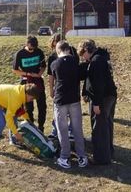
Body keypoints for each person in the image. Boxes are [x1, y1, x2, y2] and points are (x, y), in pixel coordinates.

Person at [77, 39, 117, 165]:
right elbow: (91, 79)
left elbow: (98, 84)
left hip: (102, 98)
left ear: (87, 50)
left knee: (99, 128)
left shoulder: (96, 62)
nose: (83, 58)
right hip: (110, 95)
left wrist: (96, 103)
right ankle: (108, 151)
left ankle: (101, 158)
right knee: (107, 124)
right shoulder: (101, 57)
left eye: (83, 54)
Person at [50, 40, 88, 168]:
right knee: (77, 129)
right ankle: (82, 156)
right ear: (68, 49)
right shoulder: (75, 62)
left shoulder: (55, 64)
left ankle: (65, 157)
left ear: (58, 50)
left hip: (60, 100)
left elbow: (54, 77)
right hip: (74, 99)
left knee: (62, 129)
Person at [0, 83, 40, 154]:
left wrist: (28, 121)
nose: (31, 100)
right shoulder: (16, 97)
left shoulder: (21, 93)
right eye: (31, 98)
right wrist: (16, 133)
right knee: (0, 123)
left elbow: (20, 111)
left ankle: (14, 140)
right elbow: (8, 118)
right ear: (27, 94)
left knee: (14, 115)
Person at [47, 33, 79, 140]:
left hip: (72, 86)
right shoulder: (52, 57)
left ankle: (71, 131)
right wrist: (51, 89)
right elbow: (51, 75)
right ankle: (55, 130)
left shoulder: (73, 52)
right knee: (58, 111)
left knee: (72, 111)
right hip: (59, 87)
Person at [12, 35, 47, 132]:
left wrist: (39, 74)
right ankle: (31, 127)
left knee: (42, 106)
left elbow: (43, 66)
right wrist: (27, 73)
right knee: (28, 107)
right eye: (31, 48)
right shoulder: (20, 54)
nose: (32, 50)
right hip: (25, 81)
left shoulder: (39, 52)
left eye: (34, 49)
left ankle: (41, 127)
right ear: (26, 44)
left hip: (38, 81)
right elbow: (15, 70)